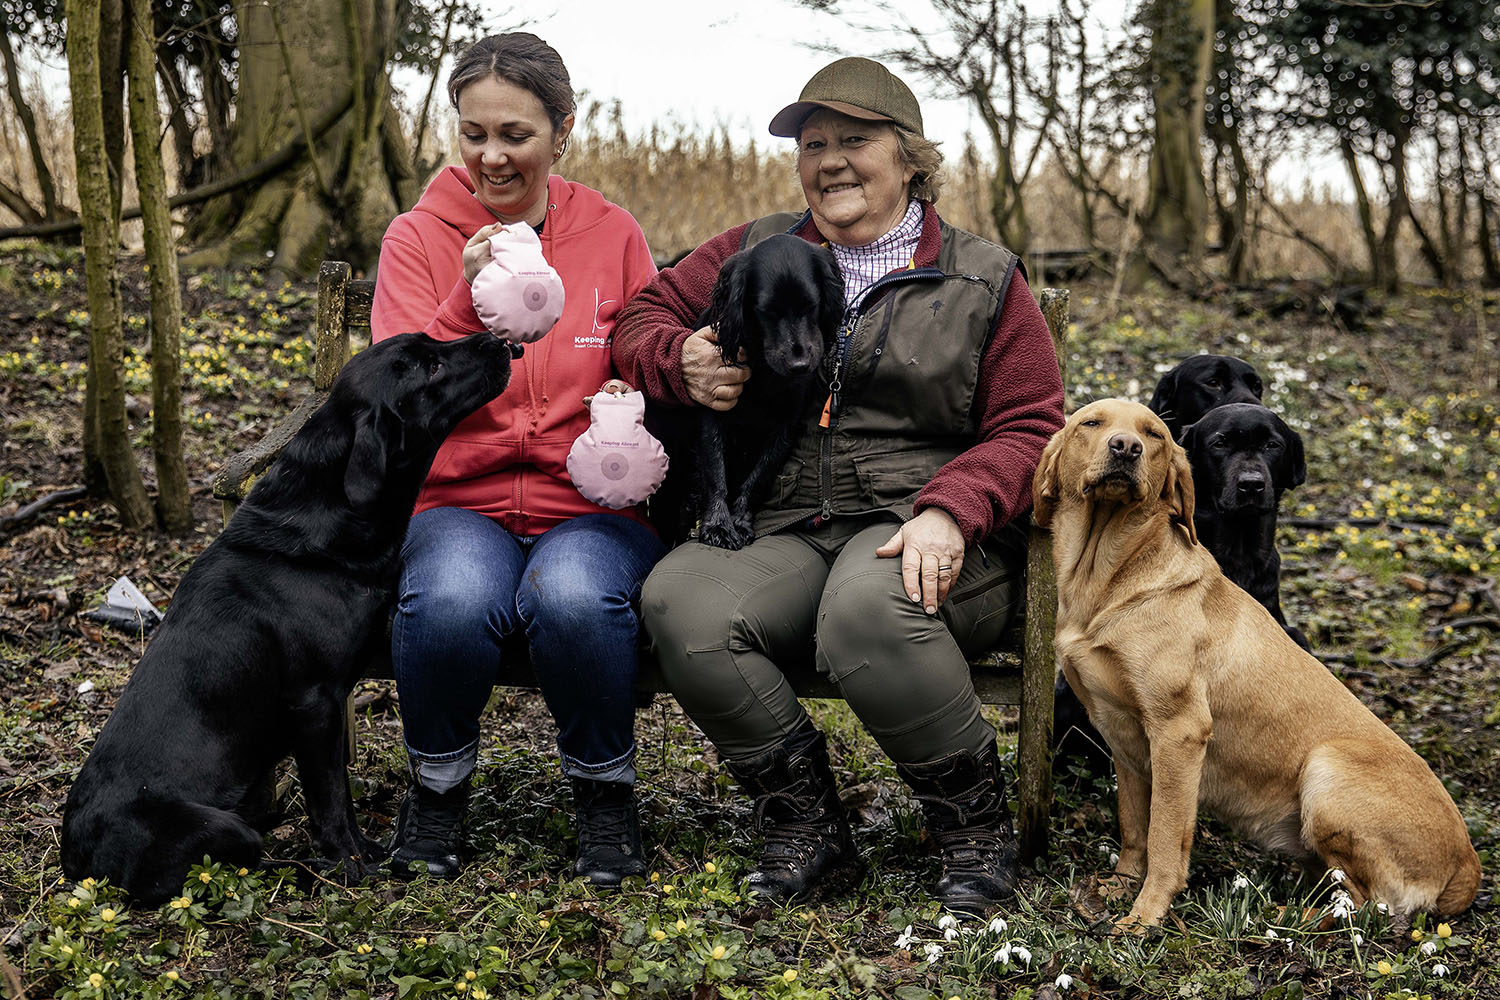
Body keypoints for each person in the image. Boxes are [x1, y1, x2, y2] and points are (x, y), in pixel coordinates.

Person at [612, 57, 1064, 911]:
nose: (830, 161)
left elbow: (1033, 426)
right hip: (782, 520)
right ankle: (807, 827)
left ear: (909, 158)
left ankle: (972, 832)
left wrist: (953, 509)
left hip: (919, 520)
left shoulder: (982, 277)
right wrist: (683, 359)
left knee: (869, 607)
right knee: (682, 600)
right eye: (813, 143)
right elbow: (640, 317)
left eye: (855, 140)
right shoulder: (754, 249)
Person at [370, 32, 663, 887]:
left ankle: (606, 801)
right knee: (452, 598)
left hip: (593, 507)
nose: (491, 157)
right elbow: (404, 387)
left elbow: (646, 349)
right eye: (473, 134)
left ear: (563, 131)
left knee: (574, 599)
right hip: (459, 500)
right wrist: (469, 298)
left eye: (516, 135)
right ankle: (438, 793)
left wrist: (674, 369)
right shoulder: (419, 238)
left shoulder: (613, 234)